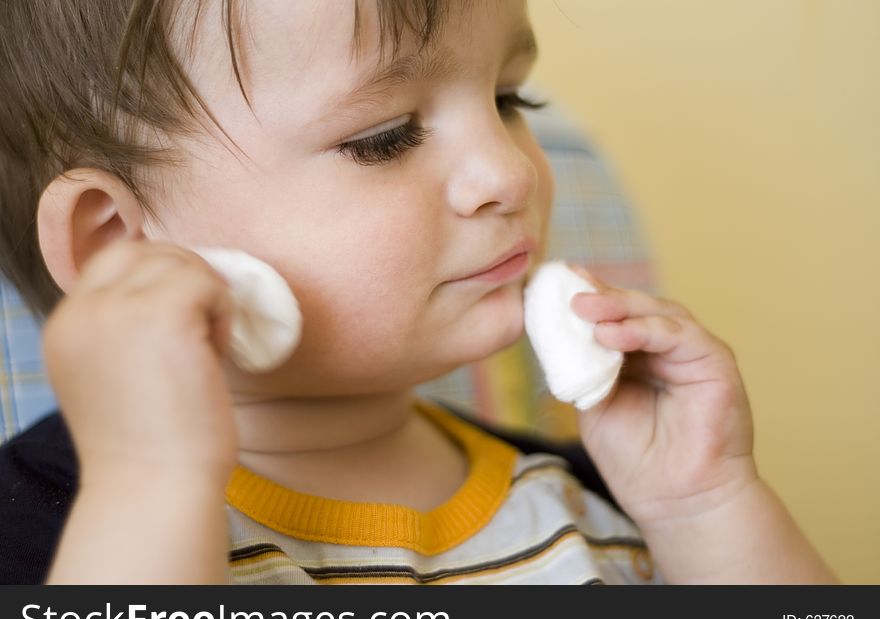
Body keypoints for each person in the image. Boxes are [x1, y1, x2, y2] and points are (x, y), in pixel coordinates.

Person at [0, 0, 839, 585]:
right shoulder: (55, 523)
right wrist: (148, 485)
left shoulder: (600, 494)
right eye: (384, 138)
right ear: (115, 243)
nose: (511, 171)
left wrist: (705, 506)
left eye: (510, 98)